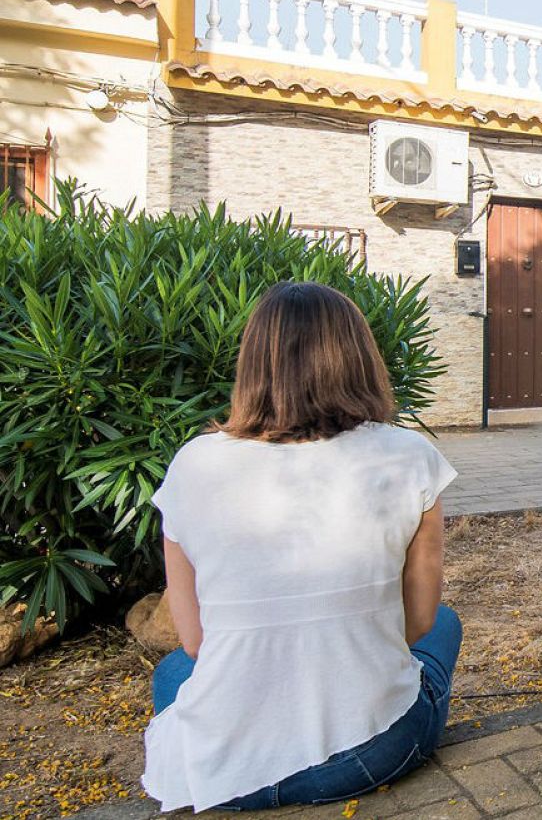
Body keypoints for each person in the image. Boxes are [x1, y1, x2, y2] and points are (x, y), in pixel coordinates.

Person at [142, 281, 460, 812]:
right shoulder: (407, 454)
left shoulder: (193, 465)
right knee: (446, 623)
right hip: (368, 752)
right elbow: (419, 621)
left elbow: (196, 641)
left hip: (219, 767)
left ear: (253, 364)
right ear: (359, 358)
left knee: (174, 671)